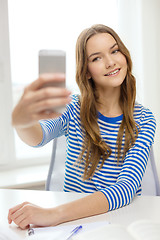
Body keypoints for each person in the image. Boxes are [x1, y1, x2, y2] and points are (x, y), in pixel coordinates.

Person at [8, 24, 156, 229]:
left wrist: (53, 214)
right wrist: (23, 121)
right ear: (86, 71)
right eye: (97, 58)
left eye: (114, 51)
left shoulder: (144, 119)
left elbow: (126, 188)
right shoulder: (73, 108)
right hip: (72, 223)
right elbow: (38, 137)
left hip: (119, 222)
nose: (110, 62)